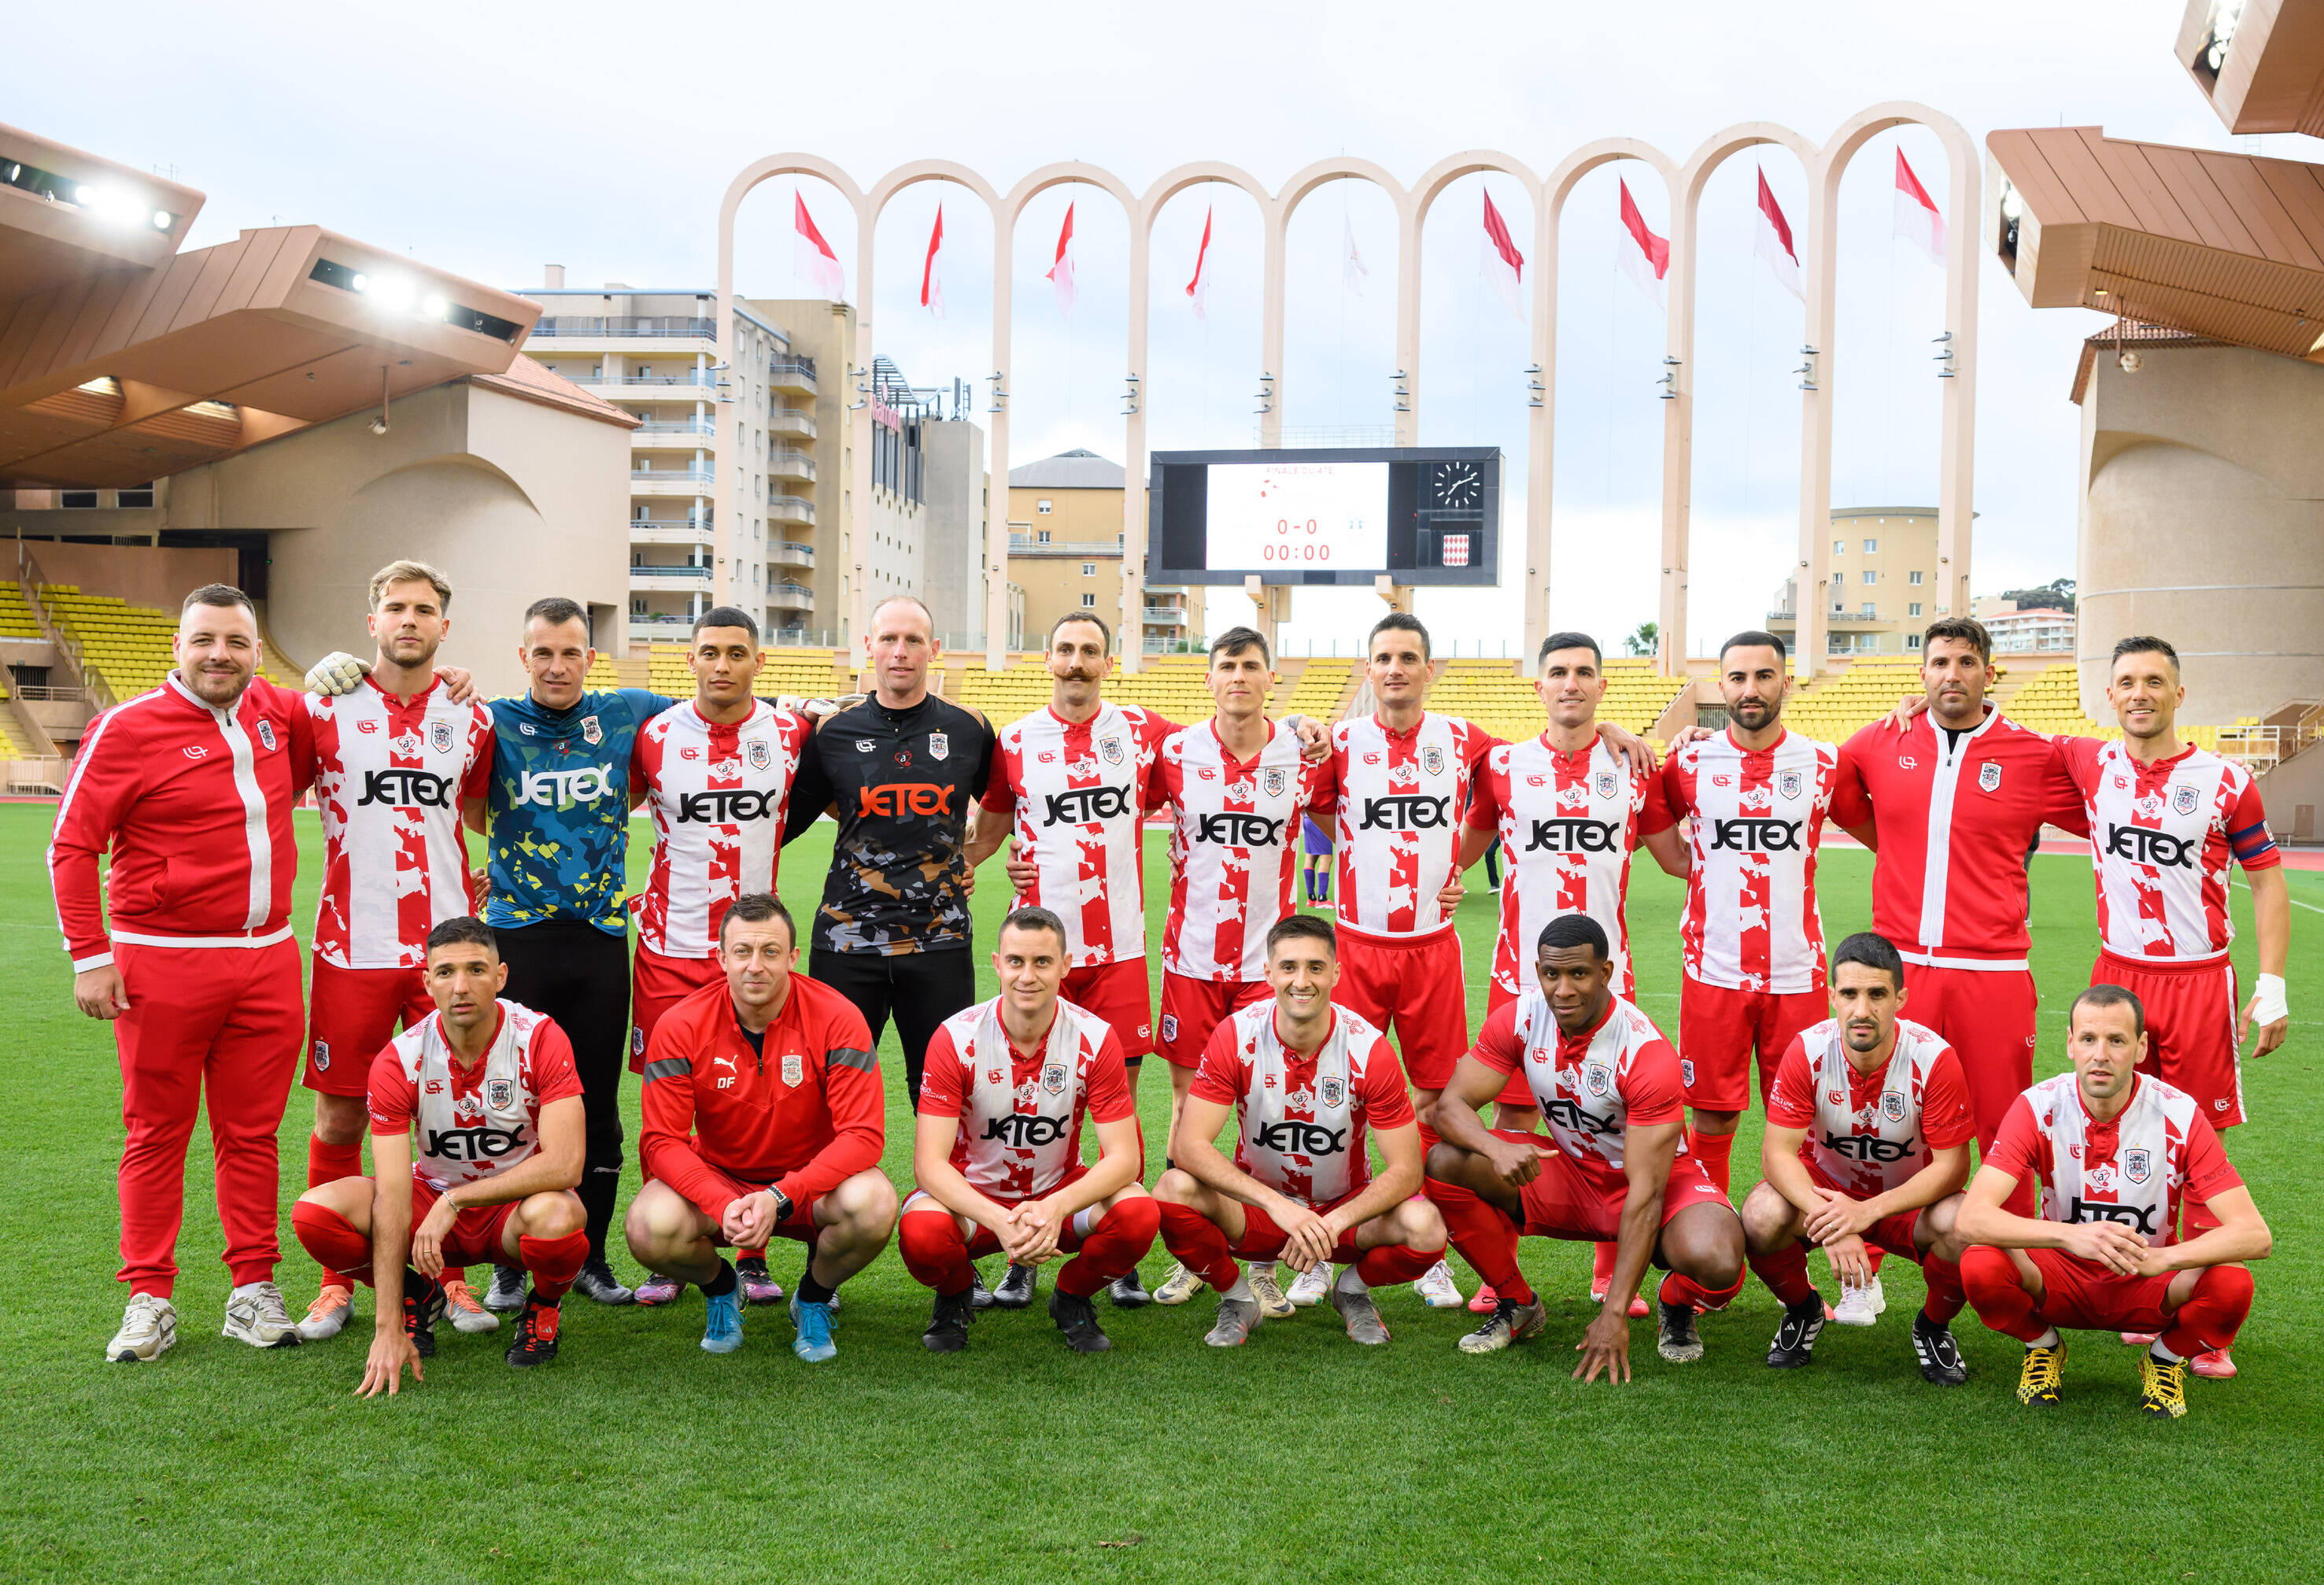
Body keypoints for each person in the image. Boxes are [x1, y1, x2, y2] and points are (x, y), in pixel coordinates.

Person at [52, 583, 317, 1362]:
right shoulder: (126, 728)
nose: (219, 655)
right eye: (204, 639)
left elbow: (346, 706)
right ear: (178, 645)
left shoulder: (276, 709)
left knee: (253, 1133)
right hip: (160, 963)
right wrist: (92, 957)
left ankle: (252, 1290)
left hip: (268, 958)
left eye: (236, 642)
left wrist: (342, 665)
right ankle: (149, 1298)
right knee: (156, 1131)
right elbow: (71, 847)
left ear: (257, 651)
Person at [1647, 630, 1882, 1321]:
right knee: (1712, 1113)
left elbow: (1883, 829)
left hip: (1799, 974)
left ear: (1786, 681)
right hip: (1714, 970)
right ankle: (1710, 1246)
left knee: (1819, 1120)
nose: (1750, 690)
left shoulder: (1821, 763)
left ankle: (1845, 1263)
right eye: (1737, 678)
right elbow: (1666, 853)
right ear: (1720, 686)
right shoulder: (1687, 762)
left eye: (1764, 676)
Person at [293, 560, 498, 1341]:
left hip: (446, 952)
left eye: (423, 609)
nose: (408, 619)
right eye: (394, 607)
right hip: (352, 943)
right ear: (371, 619)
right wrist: (298, 677)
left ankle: (444, 1277)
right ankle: (334, 1280)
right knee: (342, 1111)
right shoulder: (323, 708)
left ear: (444, 626)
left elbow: (479, 811)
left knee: (447, 1116)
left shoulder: (470, 718)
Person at [464, 596, 678, 1308]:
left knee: (593, 1104)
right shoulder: (489, 718)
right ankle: (511, 1259)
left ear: (591, 656)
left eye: (571, 653)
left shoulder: (626, 713)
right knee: (516, 1105)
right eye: (543, 653)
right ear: (522, 657)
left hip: (597, 941)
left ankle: (587, 1258)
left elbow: (718, 703)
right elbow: (462, 797)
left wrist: (804, 704)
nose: (557, 666)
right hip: (516, 940)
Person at [1424, 914, 1746, 1376]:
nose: (1564, 990)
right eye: (1552, 975)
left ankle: (1675, 1300)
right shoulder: (1520, 1016)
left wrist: (1613, 1314)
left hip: (1654, 1184)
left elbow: (1647, 1192)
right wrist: (1495, 1149)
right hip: (1571, 1172)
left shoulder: (1645, 1052)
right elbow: (1450, 1107)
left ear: (1606, 973)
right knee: (1447, 1159)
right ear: (1538, 972)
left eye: (1579, 974)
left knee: (1716, 1257)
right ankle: (1516, 1303)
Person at [290, 918, 589, 1388]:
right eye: (446, 973)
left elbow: (566, 1163)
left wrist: (458, 1201)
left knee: (560, 1215)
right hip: (429, 1204)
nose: (462, 986)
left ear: (502, 976)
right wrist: (386, 1327)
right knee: (316, 1214)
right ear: (428, 983)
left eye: (476, 969)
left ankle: (544, 1305)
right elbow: (390, 1195)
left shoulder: (539, 1038)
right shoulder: (400, 1058)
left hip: (510, 1213)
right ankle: (418, 1295)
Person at [1458, 630, 1657, 1316]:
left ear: (1601, 686)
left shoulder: (1635, 768)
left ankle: (1609, 1274)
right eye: (1556, 673)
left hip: (1608, 981)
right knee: (1510, 1118)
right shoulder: (1503, 766)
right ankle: (1500, 1272)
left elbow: (1680, 855)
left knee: (1618, 1122)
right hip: (1520, 978)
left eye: (1583, 673)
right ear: (1536, 685)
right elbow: (1459, 850)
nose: (1569, 683)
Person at [1956, 985, 2271, 1418]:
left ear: (2141, 1047)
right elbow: (1971, 1218)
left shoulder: (2179, 1114)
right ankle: (2043, 1347)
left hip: (2145, 1275)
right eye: (2088, 1039)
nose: (2100, 1054)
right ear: (2070, 1043)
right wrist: (2069, 1236)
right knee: (1980, 1263)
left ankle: (2165, 1358)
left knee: (2232, 1286)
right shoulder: (2037, 1107)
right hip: (2060, 1274)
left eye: (2117, 1041)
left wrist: (2166, 1260)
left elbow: (2255, 1235)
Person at [1140, 627, 1335, 1310]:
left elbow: (1358, 818)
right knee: (1190, 1105)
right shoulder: (1172, 751)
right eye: (1227, 665)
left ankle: (1265, 1256)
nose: (1239, 676)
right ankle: (1192, 1253)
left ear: (1268, 678)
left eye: (1251, 665)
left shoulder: (1304, 753)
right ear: (1209, 678)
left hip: (1269, 967)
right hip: (1191, 959)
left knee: (1268, 1105)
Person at [627, 606, 811, 1310]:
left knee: (757, 1097)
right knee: (671, 1104)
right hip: (670, 947)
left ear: (758, 661)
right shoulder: (654, 736)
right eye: (710, 652)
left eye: (737, 652)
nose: (723, 665)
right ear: (691, 658)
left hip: (754, 955)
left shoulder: (793, 731)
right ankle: (679, 1252)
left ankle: (755, 1252)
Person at [1839, 616, 2081, 1150]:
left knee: (2003, 1128)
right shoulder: (1881, 739)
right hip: (1900, 970)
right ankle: (1889, 1236)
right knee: (1893, 1123)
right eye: (1940, 663)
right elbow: (1822, 779)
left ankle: (2004, 1236)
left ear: (1988, 673)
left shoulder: (2032, 755)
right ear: (1921, 675)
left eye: (1966, 662)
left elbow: (2109, 815)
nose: (1953, 674)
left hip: (1991, 971)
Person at [624, 894, 896, 1362]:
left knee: (874, 1205)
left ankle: (812, 1297)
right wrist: (721, 1201)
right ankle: (722, 1288)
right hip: (722, 1178)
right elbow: (661, 1142)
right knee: (648, 1228)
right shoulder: (679, 1024)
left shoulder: (838, 1017)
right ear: (721, 957)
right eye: (743, 951)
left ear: (793, 957)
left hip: (812, 1182)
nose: (756, 966)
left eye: (771, 952)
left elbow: (863, 1136)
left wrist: (782, 1195)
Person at [1154, 914, 1446, 1347]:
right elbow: (1190, 1147)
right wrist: (1280, 1208)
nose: (1301, 981)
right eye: (1288, 967)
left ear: (1336, 973)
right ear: (1268, 973)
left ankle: (1352, 1290)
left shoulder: (1369, 1048)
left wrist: (1334, 1221)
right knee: (1172, 1188)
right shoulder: (1236, 1034)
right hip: (1258, 1211)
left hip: (1341, 1216)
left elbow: (1406, 1171)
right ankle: (1238, 1298)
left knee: (1427, 1226)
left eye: (1315, 967)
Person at [1322, 611, 1499, 1311]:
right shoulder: (1338, 741)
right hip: (1356, 945)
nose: (1395, 668)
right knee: (1343, 1096)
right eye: (1383, 658)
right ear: (1367, 671)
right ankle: (1331, 1239)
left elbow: (1526, 769)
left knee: (1430, 1098)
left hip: (1430, 948)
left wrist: (1461, 859)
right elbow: (1313, 809)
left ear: (1429, 669)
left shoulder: (1461, 739)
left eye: (1408, 657)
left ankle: (1427, 1248)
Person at [899, 906, 1161, 1354]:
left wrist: (1054, 1208)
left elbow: (1124, 1159)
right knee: (921, 1234)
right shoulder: (955, 1037)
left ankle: (1072, 1297)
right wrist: (1001, 1221)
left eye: (1042, 962)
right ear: (998, 964)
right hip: (976, 1198)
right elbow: (929, 1165)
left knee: (1138, 1214)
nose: (1028, 976)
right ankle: (956, 1294)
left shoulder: (1095, 1037)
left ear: (1065, 965)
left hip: (1059, 1191)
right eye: (1016, 961)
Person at [783, 594, 999, 1113]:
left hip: (939, 942)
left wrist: (972, 859)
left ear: (933, 650)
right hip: (846, 942)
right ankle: (829, 1194)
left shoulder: (969, 729)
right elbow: (782, 822)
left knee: (942, 1094)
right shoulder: (832, 733)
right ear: (868, 648)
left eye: (913, 640)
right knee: (830, 1092)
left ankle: (939, 1196)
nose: (900, 652)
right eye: (888, 639)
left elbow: (1008, 804)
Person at [1741, 932, 1975, 1383]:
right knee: (1761, 1213)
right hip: (1826, 1193)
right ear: (1832, 996)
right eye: (1849, 994)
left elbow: (1953, 1167)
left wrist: (1864, 1213)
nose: (1861, 1010)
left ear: (1901, 997)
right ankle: (1803, 1310)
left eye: (1877, 994)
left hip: (1906, 1202)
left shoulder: (1934, 1059)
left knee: (1964, 1225)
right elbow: (1776, 1155)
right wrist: (1832, 1219)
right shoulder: (1807, 1050)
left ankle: (1932, 1327)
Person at [1302, 813, 1333, 905]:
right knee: (1326, 857)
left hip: (1308, 819)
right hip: (1321, 820)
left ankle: (1311, 899)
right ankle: (1322, 899)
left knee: (1310, 856)